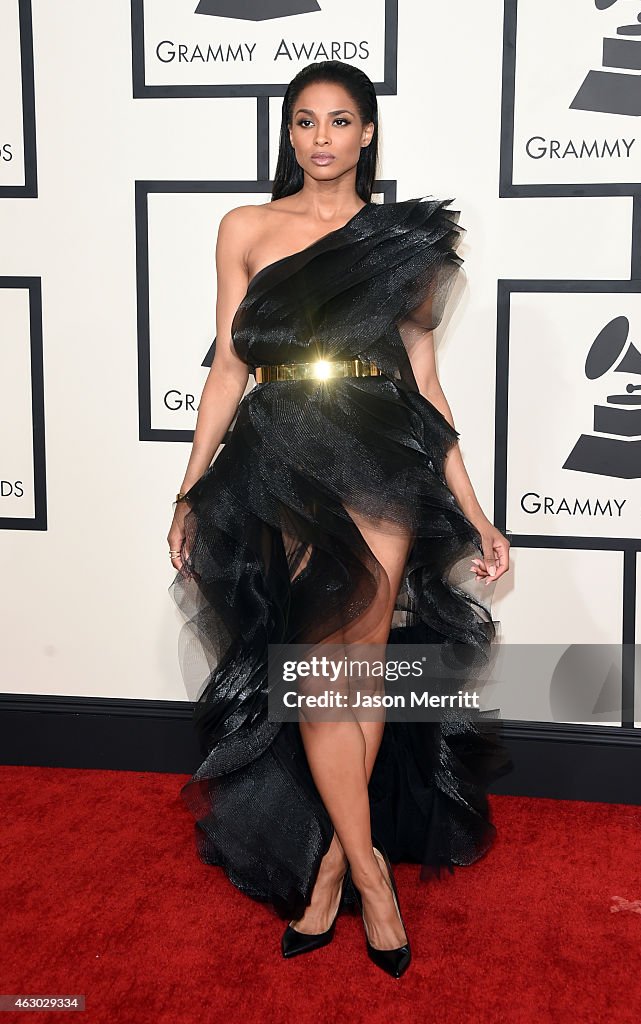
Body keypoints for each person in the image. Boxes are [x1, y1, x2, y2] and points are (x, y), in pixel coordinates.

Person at [167, 59, 512, 979]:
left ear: (367, 135)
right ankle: (366, 873)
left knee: (353, 671)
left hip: (381, 454)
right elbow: (228, 371)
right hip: (283, 453)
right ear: (289, 134)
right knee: (321, 673)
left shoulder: (399, 243)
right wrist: (190, 486)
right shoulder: (246, 227)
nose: (321, 137)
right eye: (305, 122)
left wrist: (475, 510)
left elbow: (426, 381)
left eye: (340, 121)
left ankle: (336, 874)